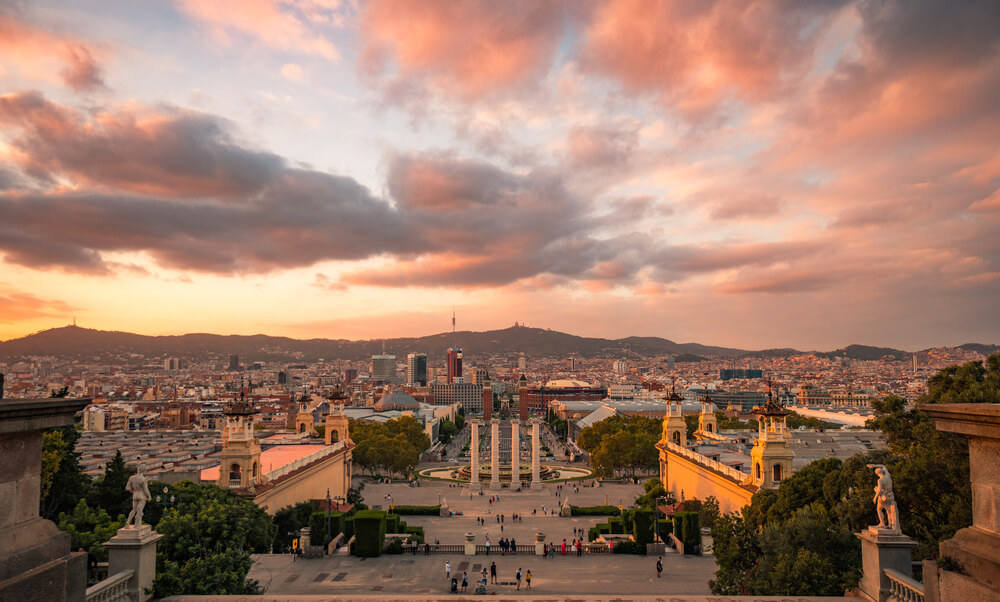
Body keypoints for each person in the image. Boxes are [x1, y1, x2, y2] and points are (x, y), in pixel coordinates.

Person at [125, 462, 151, 528]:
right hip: (141, 496)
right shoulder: (144, 479)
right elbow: (145, 489)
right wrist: (149, 496)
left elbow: (127, 488)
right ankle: (137, 525)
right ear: (144, 470)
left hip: (135, 495)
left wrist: (133, 492)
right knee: (139, 512)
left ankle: (127, 523)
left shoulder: (132, 478)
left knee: (133, 510)